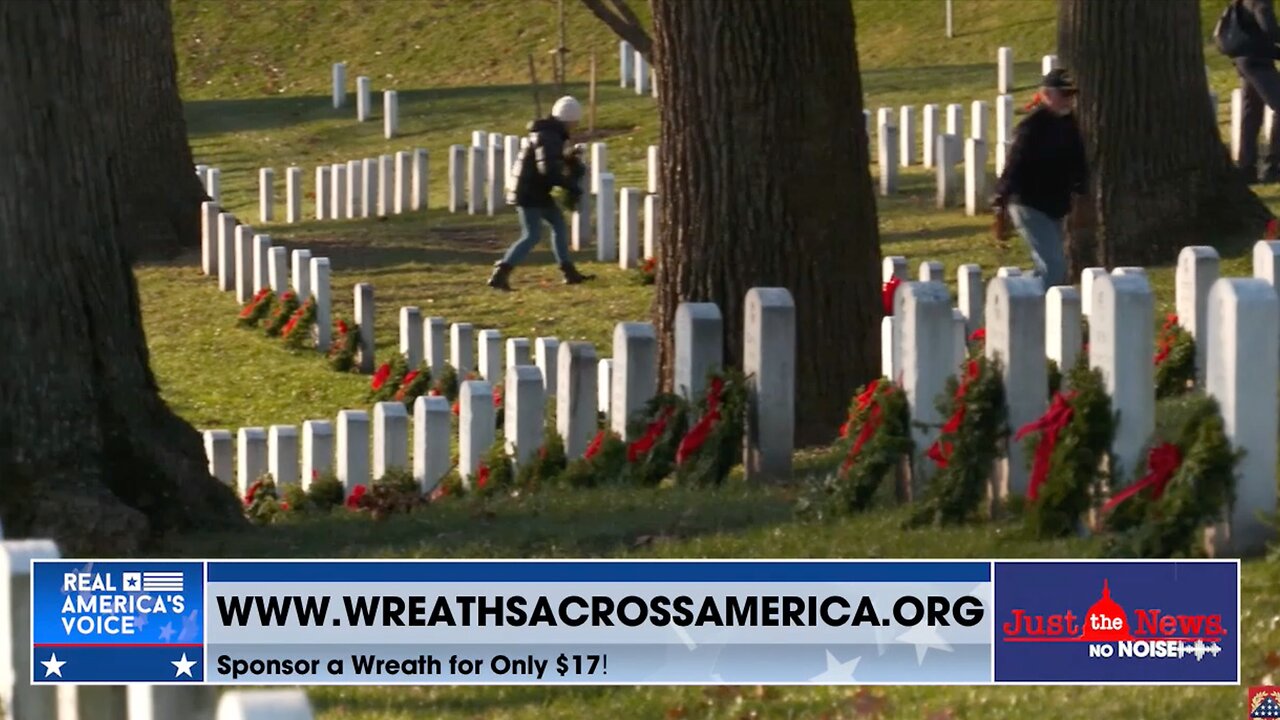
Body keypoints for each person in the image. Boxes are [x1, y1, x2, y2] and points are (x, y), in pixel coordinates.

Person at [991, 68, 1087, 289]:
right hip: (1028, 203)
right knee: (1054, 267)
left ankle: (1015, 295)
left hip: (1055, 205)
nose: (1068, 100)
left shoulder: (1069, 125)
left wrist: (1081, 190)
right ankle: (1026, 306)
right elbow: (1014, 164)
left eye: (1071, 95)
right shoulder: (1032, 127)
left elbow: (1077, 161)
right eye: (1063, 94)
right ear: (1045, 94)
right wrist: (1000, 198)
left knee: (1048, 265)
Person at [487, 95, 593, 291]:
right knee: (532, 235)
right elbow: (548, 169)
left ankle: (569, 272)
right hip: (529, 193)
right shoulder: (548, 136)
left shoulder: (549, 134)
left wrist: (567, 159)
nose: (576, 124)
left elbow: (548, 162)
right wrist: (569, 184)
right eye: (575, 121)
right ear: (569, 119)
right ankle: (501, 273)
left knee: (559, 225)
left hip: (535, 190)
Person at [1222, 0, 1280, 183]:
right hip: (1257, 61)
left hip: (1244, 59)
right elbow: (1269, 30)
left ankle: (1247, 167)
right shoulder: (1260, 1)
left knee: (1252, 113)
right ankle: (1272, 166)